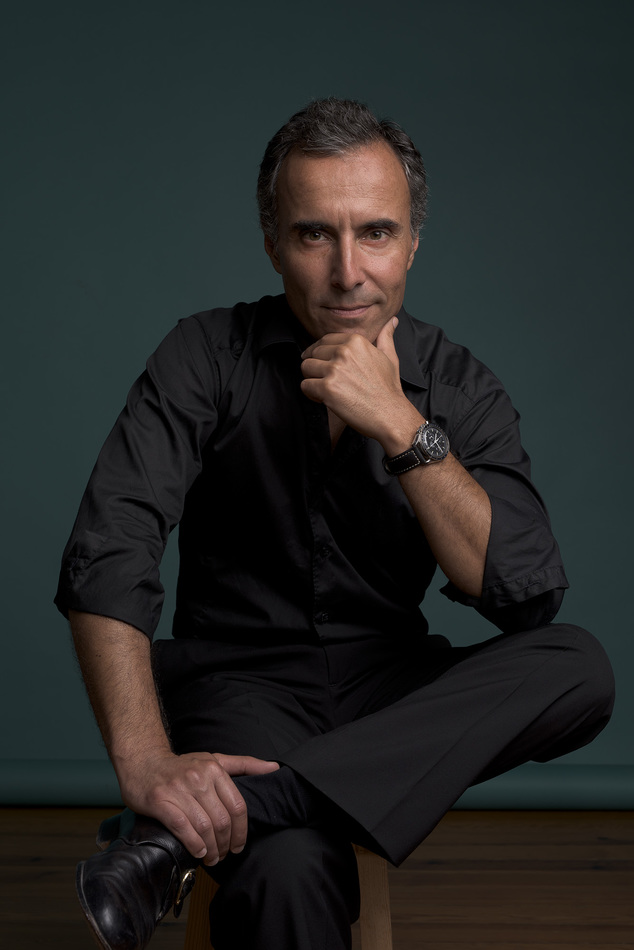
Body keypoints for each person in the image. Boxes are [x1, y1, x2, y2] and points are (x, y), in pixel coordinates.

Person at [55, 98, 615, 950]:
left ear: (413, 243)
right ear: (273, 243)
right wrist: (147, 765)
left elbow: (523, 592)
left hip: (392, 698)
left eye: (377, 233)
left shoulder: (457, 385)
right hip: (241, 690)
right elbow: (110, 548)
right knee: (285, 870)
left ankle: (182, 839)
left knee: (579, 668)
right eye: (316, 234)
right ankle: (240, 814)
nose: (349, 271)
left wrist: (400, 424)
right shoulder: (204, 355)